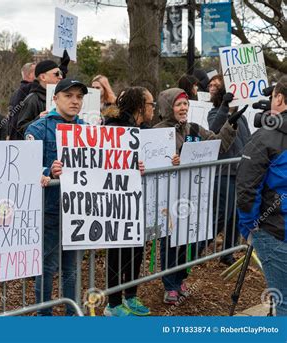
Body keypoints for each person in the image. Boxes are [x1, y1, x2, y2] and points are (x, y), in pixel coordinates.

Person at [154, 87, 242, 305]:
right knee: (170, 243)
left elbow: (218, 145)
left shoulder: (193, 128)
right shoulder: (156, 132)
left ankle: (181, 277)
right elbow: (152, 161)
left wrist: (230, 125)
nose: (184, 108)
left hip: (193, 197)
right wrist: (170, 160)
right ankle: (170, 285)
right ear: (167, 107)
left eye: (186, 104)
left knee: (188, 240)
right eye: (178, 104)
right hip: (168, 199)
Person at [25, 78, 87, 315]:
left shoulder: (88, 130)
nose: (74, 101)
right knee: (47, 266)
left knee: (71, 267)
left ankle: (72, 314)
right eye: (68, 96)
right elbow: (27, 166)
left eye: (79, 97)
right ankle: (45, 315)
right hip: (49, 209)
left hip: (77, 210)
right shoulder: (38, 128)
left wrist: (132, 166)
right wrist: (47, 171)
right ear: (55, 98)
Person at [237, 76, 287, 316]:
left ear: (279, 98)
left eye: (273, 95)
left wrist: (249, 227)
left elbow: (246, 188)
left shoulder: (266, 137)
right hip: (277, 226)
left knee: (283, 302)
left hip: (275, 230)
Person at [103, 86, 155, 316]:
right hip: (117, 201)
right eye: (151, 103)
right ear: (140, 106)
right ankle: (113, 303)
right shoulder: (114, 126)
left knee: (135, 249)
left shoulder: (143, 129)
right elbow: (104, 158)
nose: (153, 108)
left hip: (136, 199)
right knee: (117, 252)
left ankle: (131, 296)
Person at [207, 79, 251, 266]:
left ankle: (228, 252)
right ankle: (199, 246)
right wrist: (224, 107)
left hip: (239, 172)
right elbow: (214, 129)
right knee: (221, 214)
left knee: (235, 216)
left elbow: (248, 140)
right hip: (223, 172)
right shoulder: (215, 113)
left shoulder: (242, 117)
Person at [17, 60, 63, 136]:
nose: (60, 77)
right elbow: (21, 129)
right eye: (57, 74)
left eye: (61, 73)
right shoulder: (32, 99)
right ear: (43, 77)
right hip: (40, 146)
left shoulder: (62, 97)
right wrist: (39, 119)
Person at [8, 62, 36, 140]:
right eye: (37, 72)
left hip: (15, 135)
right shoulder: (28, 89)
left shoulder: (16, 92)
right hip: (23, 136)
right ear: (30, 75)